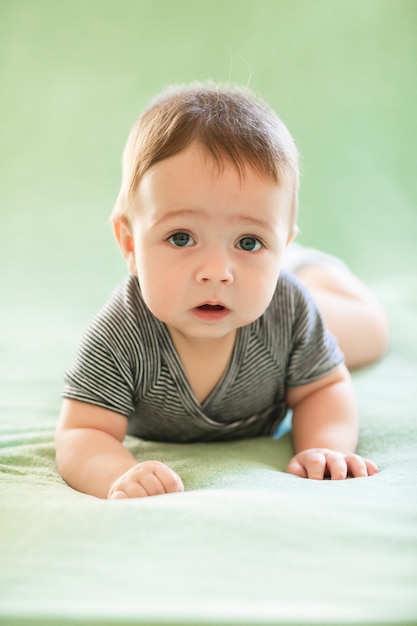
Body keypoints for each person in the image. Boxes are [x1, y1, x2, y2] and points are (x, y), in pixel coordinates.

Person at [56, 83, 386, 500]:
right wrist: (118, 473)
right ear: (130, 245)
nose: (216, 273)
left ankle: (310, 266)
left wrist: (324, 446)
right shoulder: (121, 334)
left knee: (370, 331)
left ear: (278, 248)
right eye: (181, 238)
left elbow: (323, 388)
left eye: (249, 241)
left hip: (277, 298)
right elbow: (83, 430)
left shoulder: (289, 310)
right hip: (260, 290)